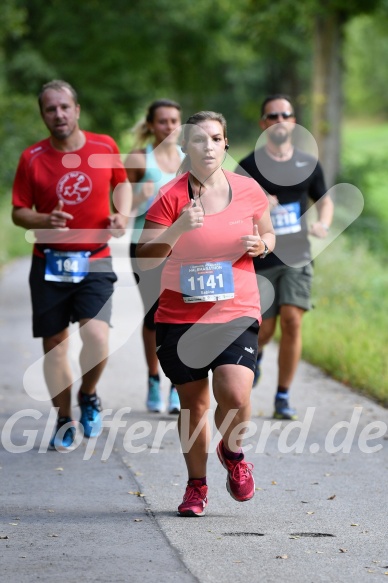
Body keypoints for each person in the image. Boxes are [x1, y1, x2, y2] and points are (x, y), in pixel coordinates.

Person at [136, 111, 275, 516]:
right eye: (199, 140)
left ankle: (232, 452)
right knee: (193, 406)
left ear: (225, 143)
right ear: (186, 147)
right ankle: (196, 486)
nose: (208, 146)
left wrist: (261, 246)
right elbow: (145, 260)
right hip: (181, 317)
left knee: (235, 392)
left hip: (236, 310)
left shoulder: (249, 190)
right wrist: (177, 228)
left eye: (216, 138)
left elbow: (267, 232)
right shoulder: (170, 196)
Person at [11, 80, 132, 450]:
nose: (59, 114)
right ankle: (64, 419)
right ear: (43, 114)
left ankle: (89, 394)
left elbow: (122, 183)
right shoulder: (32, 157)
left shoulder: (104, 146)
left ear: (77, 110)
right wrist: (42, 221)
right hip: (49, 264)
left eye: (64, 107)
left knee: (97, 337)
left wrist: (122, 214)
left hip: (94, 260)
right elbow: (19, 212)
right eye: (51, 109)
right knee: (55, 347)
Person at [237, 94, 333, 420]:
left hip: (297, 256)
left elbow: (326, 198)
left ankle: (282, 395)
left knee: (292, 320)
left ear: (293, 121)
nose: (279, 120)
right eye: (272, 116)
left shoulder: (308, 163)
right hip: (261, 257)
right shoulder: (249, 165)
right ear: (263, 124)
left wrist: (323, 222)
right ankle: (259, 354)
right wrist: (259, 200)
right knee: (264, 330)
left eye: (285, 115)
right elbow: (232, 205)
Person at [125, 99, 184, 414]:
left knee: (180, 314)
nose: (170, 127)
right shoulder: (138, 159)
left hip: (184, 247)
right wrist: (139, 195)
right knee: (154, 315)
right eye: (163, 121)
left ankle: (177, 383)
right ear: (151, 125)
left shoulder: (190, 159)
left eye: (175, 120)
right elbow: (119, 206)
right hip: (144, 245)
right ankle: (152, 379)